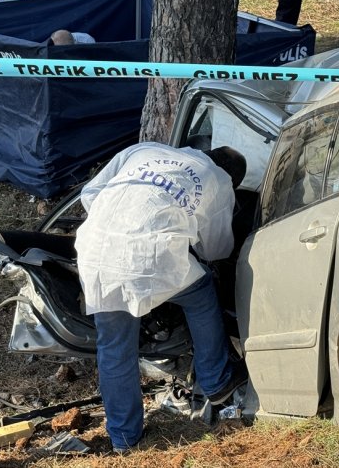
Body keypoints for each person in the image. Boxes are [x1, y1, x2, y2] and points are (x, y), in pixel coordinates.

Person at [74, 142, 249, 452]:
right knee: (201, 292)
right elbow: (217, 249)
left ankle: (124, 439)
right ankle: (216, 378)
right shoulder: (217, 180)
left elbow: (90, 193)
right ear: (231, 178)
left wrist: (118, 224)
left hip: (96, 249)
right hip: (150, 252)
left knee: (114, 348)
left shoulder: (144, 150)